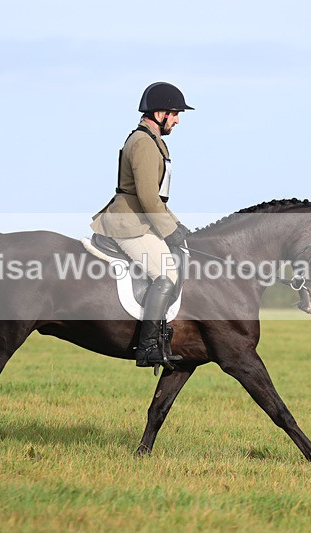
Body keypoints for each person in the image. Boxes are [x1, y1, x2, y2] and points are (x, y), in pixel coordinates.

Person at [91, 82, 194, 368]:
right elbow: (148, 198)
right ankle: (147, 347)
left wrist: (177, 225)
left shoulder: (153, 140)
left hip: (140, 220)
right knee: (166, 274)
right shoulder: (144, 143)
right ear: (159, 112)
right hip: (129, 224)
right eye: (174, 113)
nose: (177, 119)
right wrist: (169, 231)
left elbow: (157, 199)